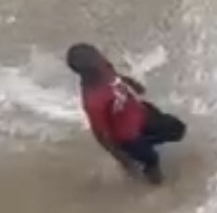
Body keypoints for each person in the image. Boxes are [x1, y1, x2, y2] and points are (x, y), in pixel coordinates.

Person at [65, 44, 187, 185]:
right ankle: (158, 186)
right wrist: (123, 159)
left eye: (99, 56)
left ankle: (149, 146)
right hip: (128, 136)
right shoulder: (93, 101)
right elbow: (101, 136)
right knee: (151, 159)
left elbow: (116, 76)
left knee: (177, 129)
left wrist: (134, 84)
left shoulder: (102, 66)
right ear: (87, 72)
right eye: (97, 59)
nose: (102, 60)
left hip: (141, 112)